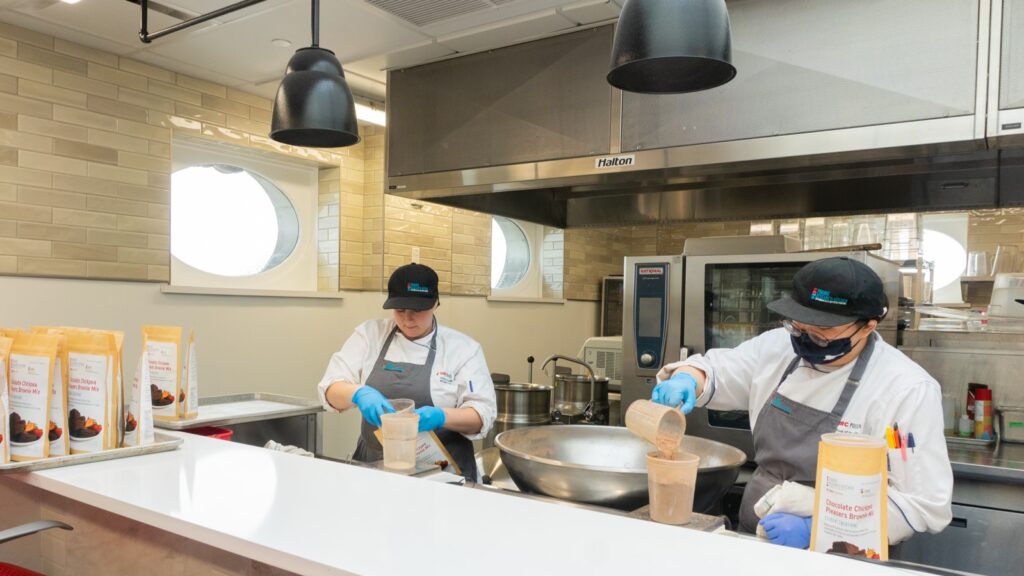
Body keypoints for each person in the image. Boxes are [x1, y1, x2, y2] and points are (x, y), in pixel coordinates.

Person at [652, 257, 952, 548]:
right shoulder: (776, 346)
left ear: (868, 326)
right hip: (755, 535)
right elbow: (719, 371)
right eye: (799, 326)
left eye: (824, 331)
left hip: (845, 551)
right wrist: (688, 378)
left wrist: (819, 529)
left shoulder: (906, 390)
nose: (806, 336)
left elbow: (921, 504)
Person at [317, 263, 496, 482]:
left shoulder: (463, 349)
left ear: (435, 304)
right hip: (375, 466)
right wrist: (358, 393)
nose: (407, 319)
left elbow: (481, 415)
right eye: (400, 310)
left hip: (443, 472)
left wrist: (440, 416)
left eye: (417, 311)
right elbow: (330, 390)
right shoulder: (370, 335)